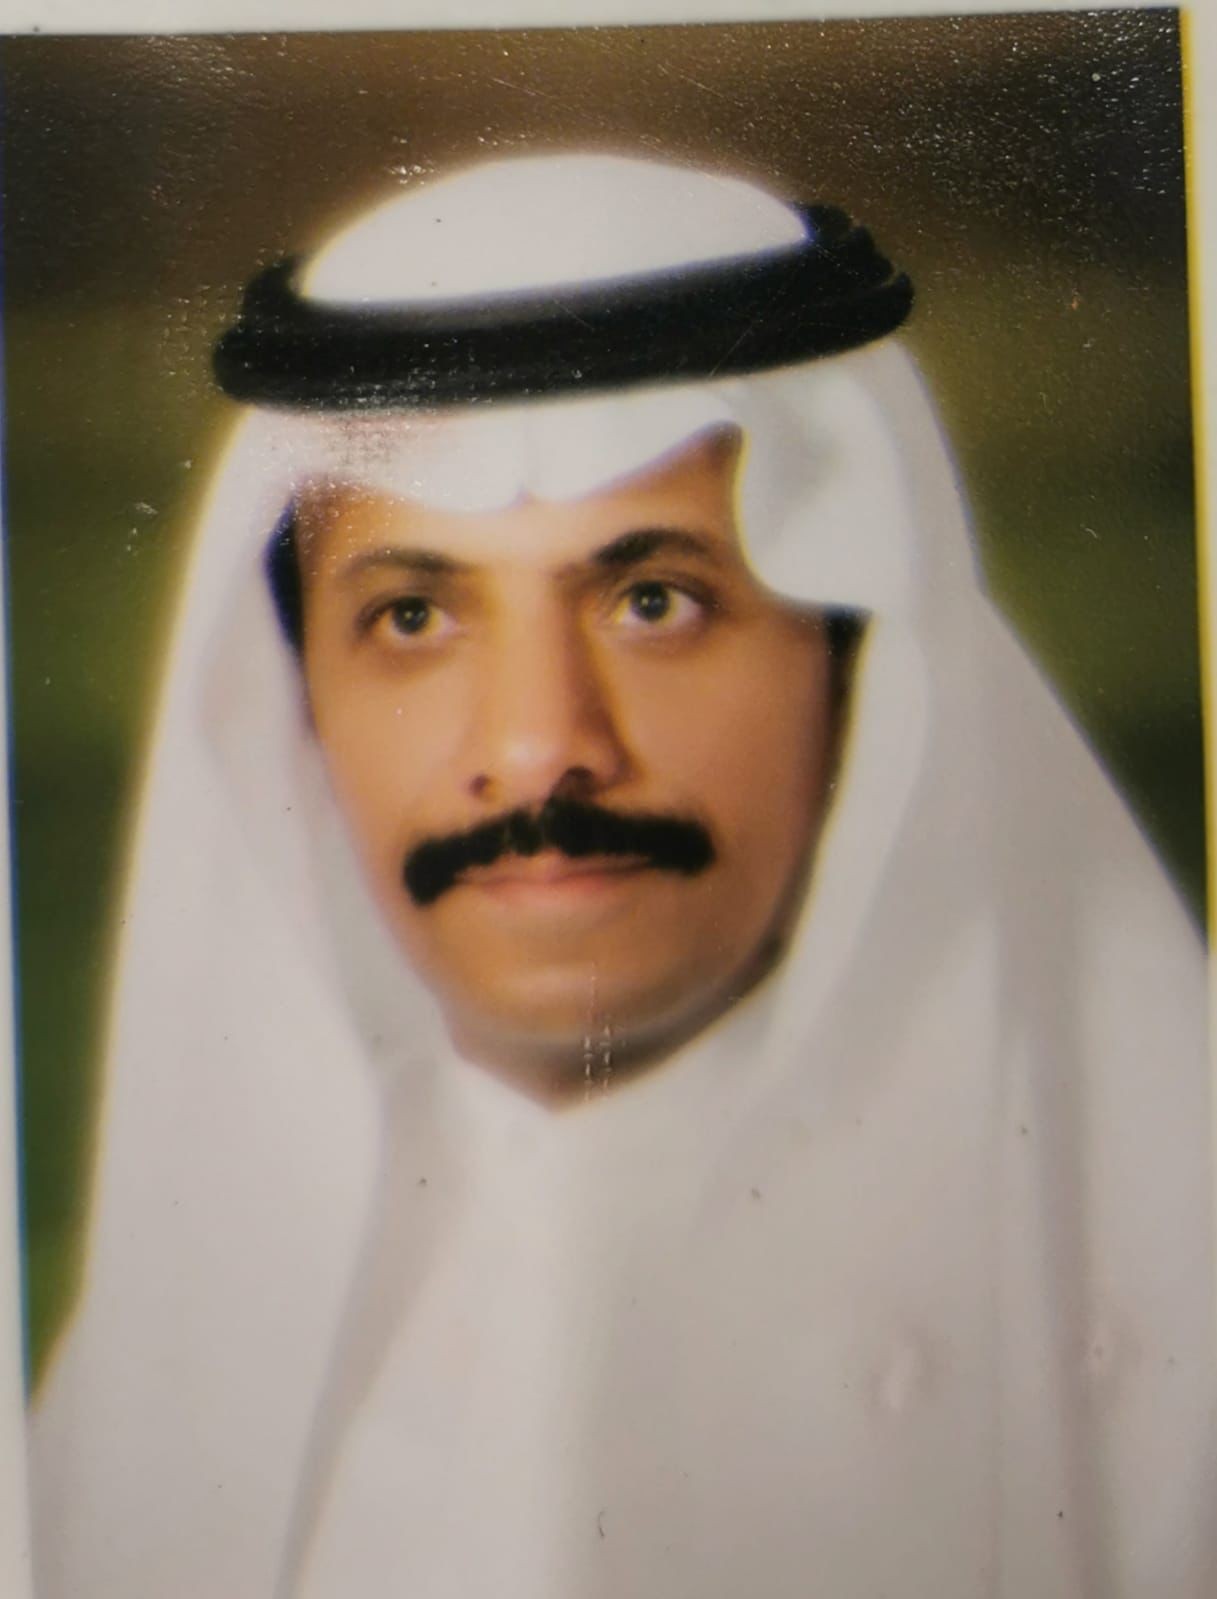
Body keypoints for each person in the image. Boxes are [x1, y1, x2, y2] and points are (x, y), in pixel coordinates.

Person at [29, 153, 1215, 1598]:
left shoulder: (1174, 1328)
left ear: (855, 673)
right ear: (294, 705)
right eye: (414, 617)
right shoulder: (125, 1412)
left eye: (654, 601)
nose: (541, 749)